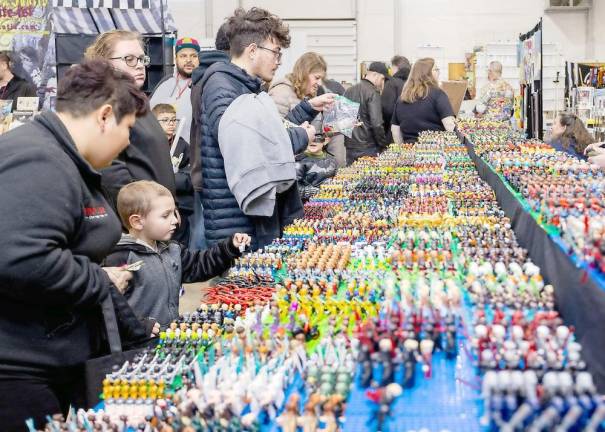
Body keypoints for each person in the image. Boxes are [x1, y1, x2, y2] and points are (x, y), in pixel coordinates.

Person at [0, 59, 148, 431]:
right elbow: (21, 256)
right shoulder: (40, 160)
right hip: (18, 372)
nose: (129, 141)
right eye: (128, 128)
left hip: (41, 359)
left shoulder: (58, 155)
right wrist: (96, 280)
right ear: (104, 116)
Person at [198, 7, 334, 248]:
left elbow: (269, 129)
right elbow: (250, 142)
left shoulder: (244, 85)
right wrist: (302, 135)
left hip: (250, 213)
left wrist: (307, 108)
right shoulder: (222, 86)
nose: (278, 61)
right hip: (237, 220)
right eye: (275, 53)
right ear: (252, 51)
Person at [105, 181, 250, 327]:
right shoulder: (119, 259)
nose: (175, 220)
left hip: (169, 336)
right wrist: (140, 326)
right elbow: (112, 310)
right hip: (137, 344)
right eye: (165, 215)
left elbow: (199, 265)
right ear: (137, 222)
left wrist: (229, 248)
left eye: (174, 212)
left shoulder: (173, 250)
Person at [84, 30, 176, 209]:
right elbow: (110, 172)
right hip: (138, 222)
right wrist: (143, 212)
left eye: (142, 59)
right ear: (104, 63)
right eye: (129, 59)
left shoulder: (137, 102)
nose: (140, 65)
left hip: (158, 219)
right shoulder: (107, 104)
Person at [189, 24, 231, 251]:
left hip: (202, 168)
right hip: (211, 170)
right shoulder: (217, 79)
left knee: (202, 228)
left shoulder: (203, 75)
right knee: (203, 235)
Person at [152, 104, 194, 246]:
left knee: (179, 247)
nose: (171, 124)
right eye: (165, 120)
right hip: (154, 208)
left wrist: (170, 178)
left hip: (180, 208)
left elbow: (191, 176)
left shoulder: (183, 146)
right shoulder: (149, 146)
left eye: (173, 120)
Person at [391, 57, 456, 143]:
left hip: (409, 150)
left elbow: (395, 130)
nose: (439, 73)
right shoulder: (438, 94)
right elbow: (449, 125)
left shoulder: (402, 98)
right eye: (436, 69)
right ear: (428, 73)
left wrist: (402, 150)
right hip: (435, 150)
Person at [150, 37, 200, 145]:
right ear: (175, 58)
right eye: (183, 56)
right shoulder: (165, 84)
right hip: (162, 151)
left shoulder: (204, 85)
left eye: (193, 56)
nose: (188, 60)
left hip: (190, 154)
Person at [343, 61, 389, 165]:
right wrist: (383, 145)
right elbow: (376, 123)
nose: (382, 82)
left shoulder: (348, 90)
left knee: (350, 178)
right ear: (375, 75)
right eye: (382, 78)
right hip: (368, 147)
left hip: (350, 146)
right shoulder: (373, 92)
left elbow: (342, 120)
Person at [269, 52, 327, 117]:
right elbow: (275, 126)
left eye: (322, 79)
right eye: (317, 78)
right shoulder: (281, 93)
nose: (320, 83)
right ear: (303, 74)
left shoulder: (311, 95)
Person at [295, 134, 338, 202]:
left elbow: (336, 178)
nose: (313, 140)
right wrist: (314, 191)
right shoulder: (299, 162)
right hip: (308, 205)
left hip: (331, 201)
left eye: (318, 137)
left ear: (326, 141)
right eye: (309, 137)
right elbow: (293, 188)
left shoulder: (332, 159)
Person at [382, 55, 411, 141]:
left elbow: (387, 109)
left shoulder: (391, 83)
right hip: (411, 132)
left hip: (394, 132)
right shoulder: (413, 83)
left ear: (396, 67)